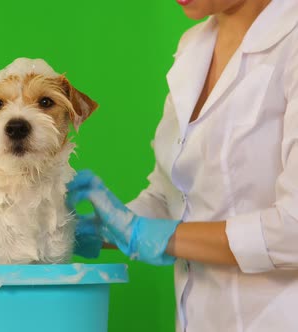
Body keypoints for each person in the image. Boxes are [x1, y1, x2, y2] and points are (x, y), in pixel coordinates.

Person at [66, 0, 298, 331]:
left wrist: (153, 235)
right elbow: (172, 198)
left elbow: (294, 229)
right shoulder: (193, 46)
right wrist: (102, 227)